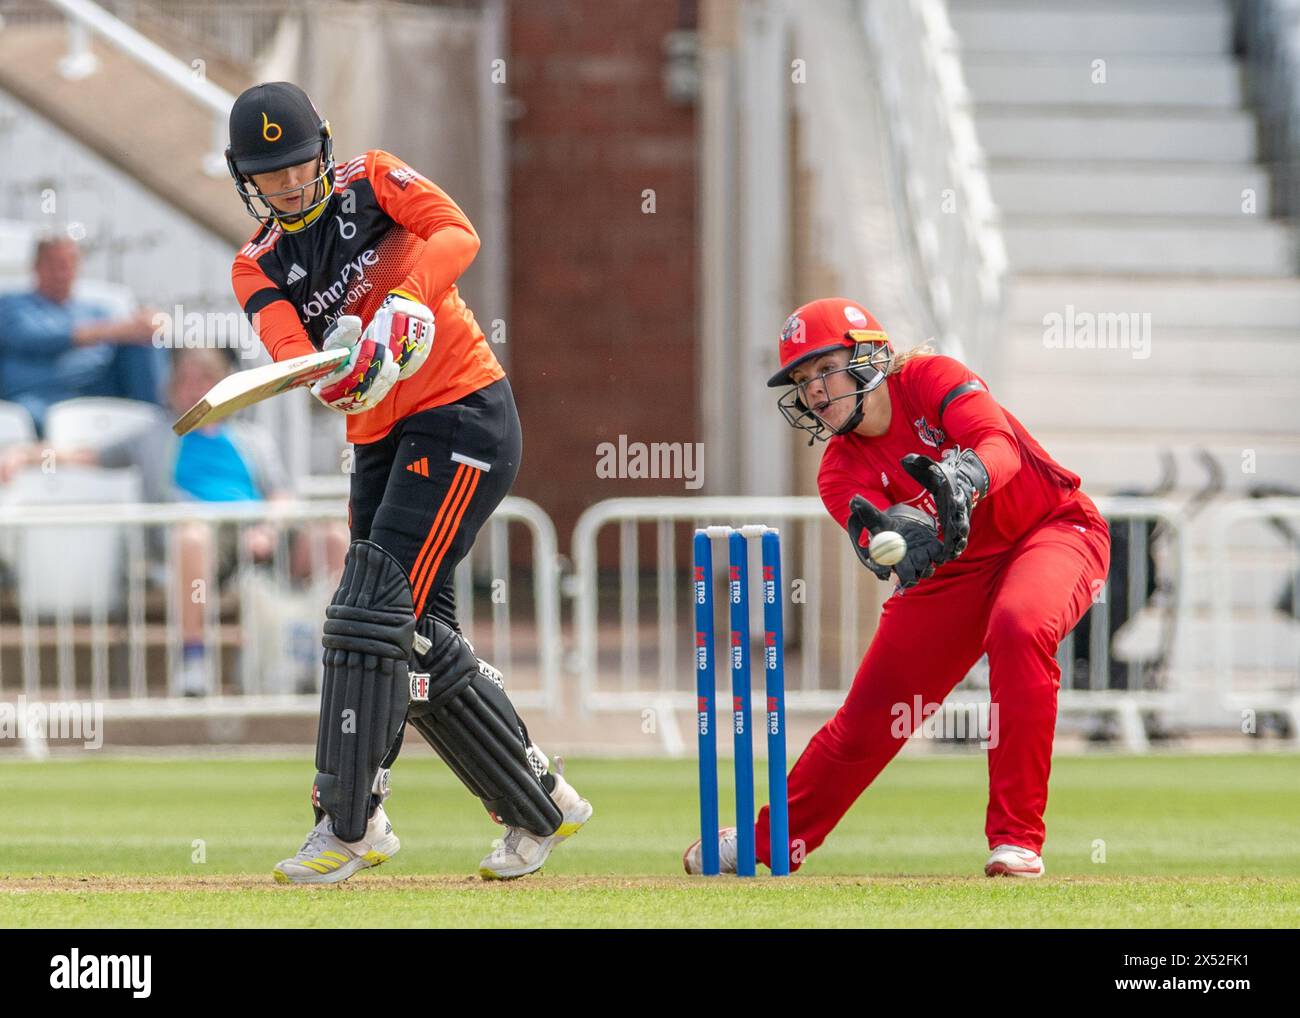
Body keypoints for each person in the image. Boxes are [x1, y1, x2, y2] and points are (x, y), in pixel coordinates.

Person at [225, 81, 591, 884]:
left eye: (298, 164)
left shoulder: (373, 179)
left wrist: (402, 303)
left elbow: (456, 234)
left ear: (322, 147)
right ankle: (540, 802)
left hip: (463, 416)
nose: (288, 184)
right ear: (243, 178)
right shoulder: (255, 266)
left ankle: (348, 824)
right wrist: (340, 376)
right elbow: (295, 358)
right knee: (409, 641)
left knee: (367, 610)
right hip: (378, 438)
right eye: (269, 175)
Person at [684, 298, 1111, 878]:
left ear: (868, 357)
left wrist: (963, 480)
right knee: (871, 717)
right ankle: (773, 840)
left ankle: (1016, 840)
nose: (812, 391)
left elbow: (998, 444)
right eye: (802, 381)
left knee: (1019, 626)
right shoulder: (838, 471)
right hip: (953, 573)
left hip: (1051, 529)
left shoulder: (931, 377)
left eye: (822, 369)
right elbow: (878, 539)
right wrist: (900, 544)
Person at [0, 347, 349, 696]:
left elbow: (281, 495)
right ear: (170, 387)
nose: (194, 388)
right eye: (185, 380)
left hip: (260, 531)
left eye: (205, 379)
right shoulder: (152, 436)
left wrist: (269, 528)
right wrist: (24, 455)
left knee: (334, 537)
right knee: (192, 537)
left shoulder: (252, 440)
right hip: (201, 538)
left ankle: (334, 651)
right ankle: (193, 659)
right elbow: (83, 454)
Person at [0, 235, 166, 434]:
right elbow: (37, 339)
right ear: (36, 267)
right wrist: (109, 331)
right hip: (38, 397)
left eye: (69, 264)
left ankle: (160, 425)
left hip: (98, 391)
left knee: (144, 341)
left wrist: (148, 325)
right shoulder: (13, 305)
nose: (62, 273)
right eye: (54, 265)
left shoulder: (99, 310)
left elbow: (135, 331)